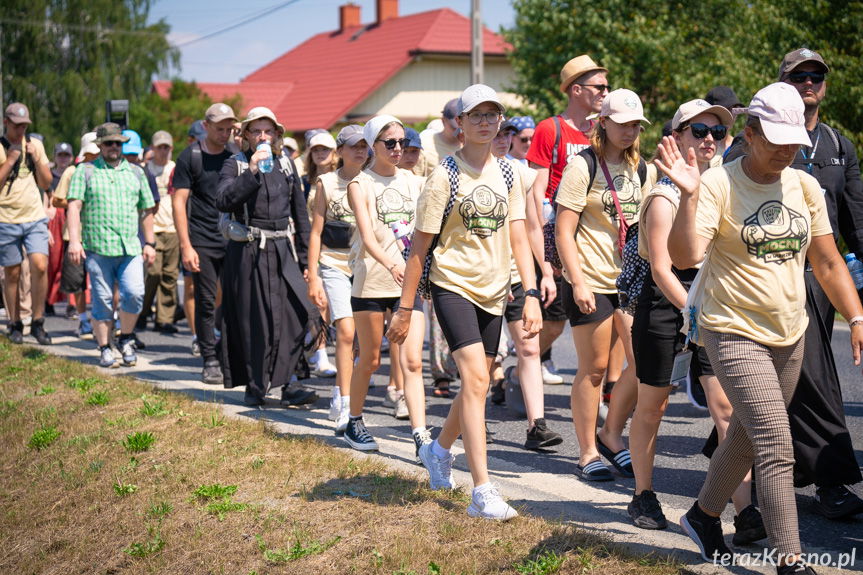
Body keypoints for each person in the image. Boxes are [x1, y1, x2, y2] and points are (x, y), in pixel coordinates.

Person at [662, 82, 863, 574]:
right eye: (774, 138)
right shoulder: (718, 184)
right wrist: (688, 197)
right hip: (731, 329)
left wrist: (856, 316)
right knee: (775, 441)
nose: (785, 150)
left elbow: (829, 262)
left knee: (749, 437)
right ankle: (790, 561)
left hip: (789, 332)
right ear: (749, 133)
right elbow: (686, 256)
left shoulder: (804, 186)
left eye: (792, 140)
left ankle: (703, 516)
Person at [388, 84, 541, 520]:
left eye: (493, 115)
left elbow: (517, 234)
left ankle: (438, 450)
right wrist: (404, 308)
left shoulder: (511, 173)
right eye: (476, 115)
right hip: (452, 284)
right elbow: (419, 248)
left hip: (496, 289)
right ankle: (483, 491)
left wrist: (529, 292)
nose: (485, 122)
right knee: (476, 378)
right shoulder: (444, 177)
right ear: (460, 122)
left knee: (477, 382)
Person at [628, 99, 764, 545]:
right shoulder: (665, 195)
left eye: (718, 133)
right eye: (699, 130)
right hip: (669, 305)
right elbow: (662, 269)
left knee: (727, 408)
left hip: (712, 303)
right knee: (654, 405)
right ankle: (643, 494)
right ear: (678, 136)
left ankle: (745, 510)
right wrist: (695, 314)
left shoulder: (726, 187)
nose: (709, 140)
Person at [776, 48, 863, 519]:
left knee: (792, 375)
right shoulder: (758, 139)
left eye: (817, 76)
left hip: (824, 275)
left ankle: (765, 467)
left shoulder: (838, 144)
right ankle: (831, 481)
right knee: (816, 375)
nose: (809, 82)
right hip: (773, 274)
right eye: (799, 75)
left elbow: (856, 217)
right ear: (783, 82)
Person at [555, 89, 652, 482]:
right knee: (594, 369)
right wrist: (576, 281)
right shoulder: (584, 166)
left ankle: (611, 434)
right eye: (624, 123)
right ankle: (588, 452)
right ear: (604, 123)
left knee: (642, 363)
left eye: (636, 125)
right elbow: (563, 230)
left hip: (629, 281)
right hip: (589, 277)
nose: (630, 131)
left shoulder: (643, 169)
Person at [216, 106, 319, 408]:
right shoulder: (234, 165)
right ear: (246, 135)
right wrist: (251, 171)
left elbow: (301, 216)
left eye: (268, 130)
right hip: (249, 250)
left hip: (281, 249)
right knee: (255, 320)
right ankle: (256, 384)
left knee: (296, 314)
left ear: (276, 134)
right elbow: (224, 200)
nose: (263, 136)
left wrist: (304, 262)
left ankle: (290, 382)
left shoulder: (287, 165)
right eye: (256, 130)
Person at [343, 114, 428, 454]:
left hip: (409, 284)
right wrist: (392, 263)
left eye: (401, 142)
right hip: (372, 282)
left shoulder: (414, 180)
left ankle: (421, 435)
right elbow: (367, 236)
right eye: (389, 143)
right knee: (370, 361)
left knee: (412, 362)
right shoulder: (359, 184)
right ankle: (354, 419)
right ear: (372, 147)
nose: (397, 149)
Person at [528, 55, 610, 387]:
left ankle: (601, 389)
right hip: (555, 233)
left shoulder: (602, 130)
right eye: (599, 86)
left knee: (597, 317)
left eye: (607, 86)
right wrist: (544, 259)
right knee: (553, 323)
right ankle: (521, 364)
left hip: (592, 236)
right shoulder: (551, 128)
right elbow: (535, 194)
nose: (606, 92)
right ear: (576, 90)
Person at [492, 118, 562, 451]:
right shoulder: (465, 174)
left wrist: (546, 272)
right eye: (498, 133)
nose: (503, 139)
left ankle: (537, 426)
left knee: (530, 347)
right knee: (485, 357)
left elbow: (534, 226)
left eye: (507, 133)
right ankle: (471, 419)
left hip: (518, 276)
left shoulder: (522, 174)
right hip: (480, 278)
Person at [66, 123, 156, 368]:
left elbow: (147, 210)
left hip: (130, 247)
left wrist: (150, 243)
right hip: (98, 248)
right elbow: (74, 207)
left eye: (118, 143)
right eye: (109, 143)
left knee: (135, 294)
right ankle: (105, 347)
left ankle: (125, 338)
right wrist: (74, 241)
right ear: (100, 146)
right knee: (104, 300)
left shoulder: (136, 173)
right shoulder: (85, 171)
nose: (114, 147)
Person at [307, 124, 367, 434]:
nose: (360, 150)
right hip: (334, 263)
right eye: (353, 145)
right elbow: (315, 232)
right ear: (339, 151)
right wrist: (313, 275)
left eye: (364, 145)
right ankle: (345, 402)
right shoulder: (327, 183)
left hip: (366, 266)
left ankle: (347, 393)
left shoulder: (372, 181)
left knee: (362, 342)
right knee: (345, 330)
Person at [172, 104, 238, 385]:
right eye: (220, 128)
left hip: (233, 238)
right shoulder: (190, 156)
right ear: (206, 126)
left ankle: (228, 356)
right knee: (207, 301)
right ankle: (209, 358)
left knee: (233, 301)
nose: (225, 134)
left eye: (229, 129)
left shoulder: (235, 155)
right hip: (202, 240)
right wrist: (186, 246)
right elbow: (178, 202)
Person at [0, 102, 53, 345]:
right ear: (6, 123)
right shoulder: (1, 148)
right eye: (17, 125)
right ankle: (15, 323)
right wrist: (11, 160)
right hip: (6, 219)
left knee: (40, 265)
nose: (21, 130)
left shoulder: (35, 145)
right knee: (12, 273)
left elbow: (46, 182)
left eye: (25, 126)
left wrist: (35, 158)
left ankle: (38, 321)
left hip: (33, 217)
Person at [51, 132, 99, 339]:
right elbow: (57, 200)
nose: (94, 156)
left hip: (97, 233)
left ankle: (101, 319)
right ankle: (82, 320)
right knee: (76, 282)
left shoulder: (104, 170)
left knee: (100, 281)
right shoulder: (73, 171)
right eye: (91, 153)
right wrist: (76, 202)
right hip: (75, 235)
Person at [302, 130, 339, 378]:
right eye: (316, 149)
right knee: (318, 303)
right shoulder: (304, 181)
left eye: (324, 149)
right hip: (310, 245)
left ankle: (349, 361)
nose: (320, 153)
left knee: (337, 307)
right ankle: (321, 355)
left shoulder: (341, 178)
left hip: (337, 246)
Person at [139, 130, 179, 334]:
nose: (163, 151)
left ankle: (164, 318)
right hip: (152, 227)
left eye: (166, 147)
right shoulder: (146, 169)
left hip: (172, 227)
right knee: (152, 274)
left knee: (170, 276)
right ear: (153, 149)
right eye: (159, 147)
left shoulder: (175, 168)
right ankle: (142, 312)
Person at [46, 142, 74, 314]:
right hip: (55, 219)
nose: (63, 159)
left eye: (66, 155)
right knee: (53, 262)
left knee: (72, 262)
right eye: (60, 155)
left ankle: (72, 303)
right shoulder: (49, 177)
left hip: (72, 216)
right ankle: (48, 299)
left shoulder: (75, 174)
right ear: (55, 157)